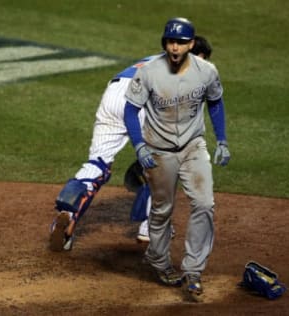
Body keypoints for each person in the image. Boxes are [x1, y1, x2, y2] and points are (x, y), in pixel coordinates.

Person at [48, 36, 215, 252]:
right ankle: (150, 227)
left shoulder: (157, 59)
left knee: (98, 163)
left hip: (115, 93)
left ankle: (67, 217)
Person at [123, 17, 230, 297]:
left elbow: (216, 103)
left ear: (191, 44)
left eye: (181, 43)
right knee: (161, 210)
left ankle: (194, 270)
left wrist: (222, 139)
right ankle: (159, 261)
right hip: (158, 150)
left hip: (193, 146)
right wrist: (140, 146)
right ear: (164, 43)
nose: (175, 47)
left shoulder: (206, 71)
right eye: (171, 41)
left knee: (205, 204)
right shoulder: (149, 72)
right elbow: (130, 110)